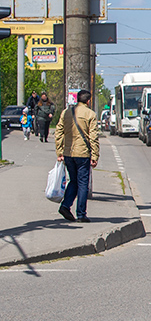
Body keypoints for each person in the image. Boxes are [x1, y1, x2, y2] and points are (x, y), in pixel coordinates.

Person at [55, 89, 99, 223]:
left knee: (73, 180)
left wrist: (59, 151)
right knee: (82, 183)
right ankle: (81, 214)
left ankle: (65, 206)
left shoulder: (66, 112)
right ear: (88, 100)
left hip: (68, 153)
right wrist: (95, 155)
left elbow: (59, 132)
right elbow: (93, 137)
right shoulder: (90, 114)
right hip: (83, 154)